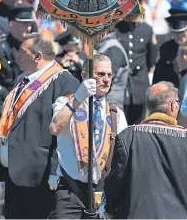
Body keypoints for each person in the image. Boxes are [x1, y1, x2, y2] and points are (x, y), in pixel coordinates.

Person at [0, 33, 80, 218]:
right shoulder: (22, 79)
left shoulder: (65, 82)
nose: (17, 56)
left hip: (39, 174)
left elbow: (63, 131)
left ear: (37, 56)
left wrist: (54, 170)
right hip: (13, 171)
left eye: (22, 52)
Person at [103, 82, 187, 218]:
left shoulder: (127, 136)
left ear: (149, 106)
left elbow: (115, 183)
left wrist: (113, 209)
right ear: (173, 105)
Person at [49, 55, 128, 219]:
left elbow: (123, 156)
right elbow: (55, 128)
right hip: (69, 191)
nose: (106, 80)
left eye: (109, 75)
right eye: (100, 74)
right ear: (84, 76)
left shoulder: (115, 113)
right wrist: (78, 97)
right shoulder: (65, 102)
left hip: (100, 192)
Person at [0, 3, 34, 118]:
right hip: (3, 101)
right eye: (24, 23)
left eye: (29, 23)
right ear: (11, 23)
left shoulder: (34, 48)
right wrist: (4, 93)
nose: (28, 27)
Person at [114, 20, 158, 124]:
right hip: (120, 82)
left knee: (138, 121)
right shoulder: (115, 28)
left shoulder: (146, 29)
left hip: (140, 81)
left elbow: (152, 57)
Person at [153, 8, 187, 87]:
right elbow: (158, 77)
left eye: (183, 32)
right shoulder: (166, 48)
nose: (180, 36)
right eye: (176, 33)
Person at [95, 31, 129, 111]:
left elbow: (106, 78)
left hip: (111, 102)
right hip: (104, 100)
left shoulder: (113, 49)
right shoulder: (105, 46)